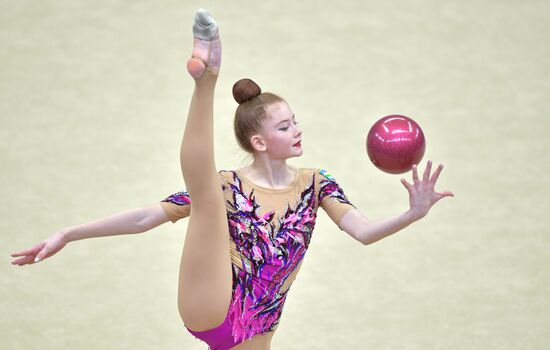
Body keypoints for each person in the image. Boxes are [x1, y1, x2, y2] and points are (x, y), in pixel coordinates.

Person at [11, 9, 454, 350]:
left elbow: (363, 231)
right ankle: (207, 79)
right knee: (207, 195)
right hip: (211, 305)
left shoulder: (317, 183)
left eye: (295, 121)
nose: (297, 130)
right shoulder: (228, 185)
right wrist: (70, 233)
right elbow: (148, 216)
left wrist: (411, 214)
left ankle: (208, 78)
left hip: (256, 330)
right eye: (284, 127)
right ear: (259, 142)